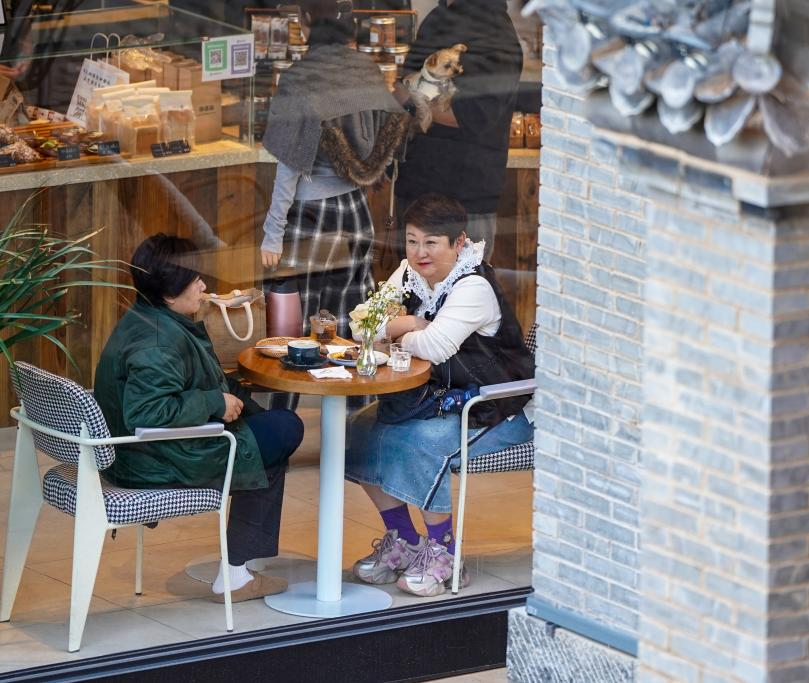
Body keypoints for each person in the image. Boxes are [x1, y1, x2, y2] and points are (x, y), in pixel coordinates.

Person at [93, 234, 305, 603]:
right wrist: (213, 402)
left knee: (271, 429)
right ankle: (235, 575)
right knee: (285, 431)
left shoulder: (148, 317)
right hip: (155, 459)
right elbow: (147, 412)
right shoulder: (158, 342)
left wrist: (230, 403)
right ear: (169, 294)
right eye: (195, 280)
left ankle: (237, 570)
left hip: (144, 453)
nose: (204, 286)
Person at [346, 194, 534, 597]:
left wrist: (396, 331)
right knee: (359, 428)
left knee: (419, 441)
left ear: (458, 243)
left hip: (496, 406)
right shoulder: (408, 273)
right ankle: (404, 541)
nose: (420, 253)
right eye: (412, 241)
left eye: (431, 243)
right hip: (439, 400)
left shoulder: (474, 286)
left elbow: (435, 347)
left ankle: (445, 555)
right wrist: (413, 322)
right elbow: (361, 327)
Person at [260, 0, 409, 342]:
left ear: (306, 19)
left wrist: (273, 232)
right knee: (348, 319)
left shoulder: (301, 76)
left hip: (310, 216)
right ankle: (351, 380)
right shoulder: (365, 69)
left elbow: (290, 163)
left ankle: (297, 381)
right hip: (355, 212)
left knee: (296, 326)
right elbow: (388, 135)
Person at [390, 0, 524, 263]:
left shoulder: (496, 34)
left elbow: (471, 115)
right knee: (412, 286)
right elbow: (408, 82)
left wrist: (406, 99)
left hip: (464, 200)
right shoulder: (439, 17)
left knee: (462, 285)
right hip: (416, 188)